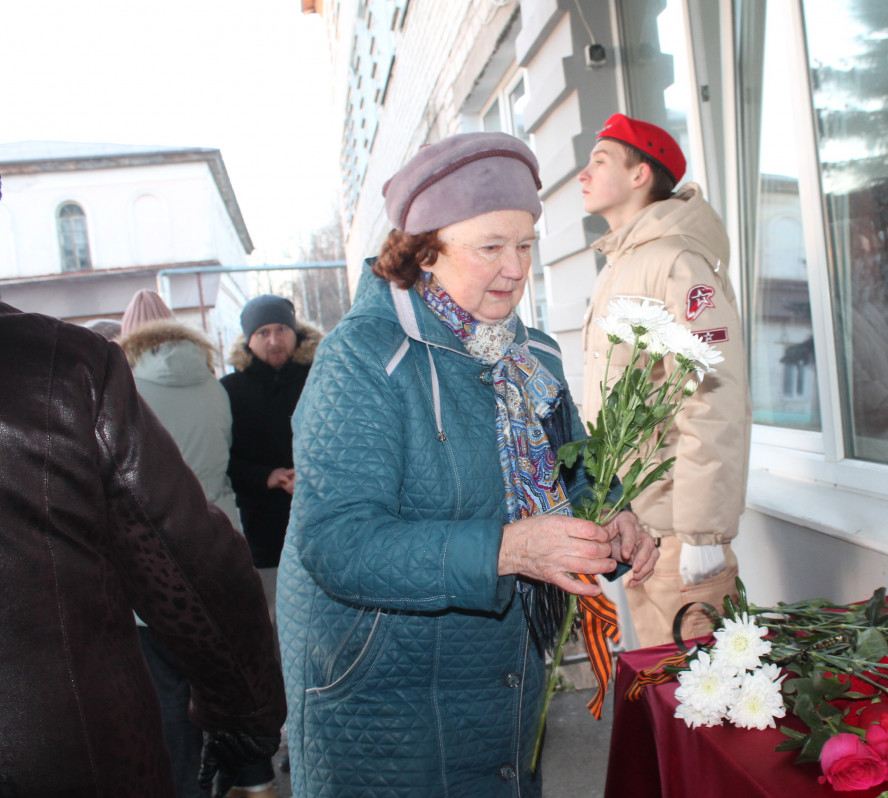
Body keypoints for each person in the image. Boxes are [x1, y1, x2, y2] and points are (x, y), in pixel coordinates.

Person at [277, 131, 659, 797]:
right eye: (490, 246)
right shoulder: (364, 356)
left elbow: (573, 468)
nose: (516, 268)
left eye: (526, 245)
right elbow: (336, 543)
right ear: (425, 251)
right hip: (385, 698)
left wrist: (613, 514)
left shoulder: (529, 352)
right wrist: (508, 550)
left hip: (505, 686)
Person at [0, 300, 286, 796]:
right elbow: (184, 549)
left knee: (171, 705)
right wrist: (249, 712)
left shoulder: (81, 369)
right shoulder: (62, 364)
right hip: (66, 742)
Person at [577, 113, 752, 648]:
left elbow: (711, 396)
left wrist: (704, 533)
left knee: (705, 698)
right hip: (640, 529)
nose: (583, 173)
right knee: (664, 696)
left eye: (599, 161)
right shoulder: (623, 264)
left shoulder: (674, 262)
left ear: (639, 175)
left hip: (680, 537)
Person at [118, 287, 242, 798]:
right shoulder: (214, 385)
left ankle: (187, 789)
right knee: (222, 681)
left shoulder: (124, 389)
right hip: (218, 549)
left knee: (169, 692)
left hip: (155, 561)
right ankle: (242, 780)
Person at [220, 293, 319, 796]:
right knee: (274, 641)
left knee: (316, 639)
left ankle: (312, 736)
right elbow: (227, 461)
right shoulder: (230, 389)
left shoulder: (317, 377)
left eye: (281, 329)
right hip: (263, 536)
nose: (274, 340)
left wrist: (313, 472)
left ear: (295, 333)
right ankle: (279, 738)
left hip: (321, 526)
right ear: (249, 339)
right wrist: (269, 476)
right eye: (263, 333)